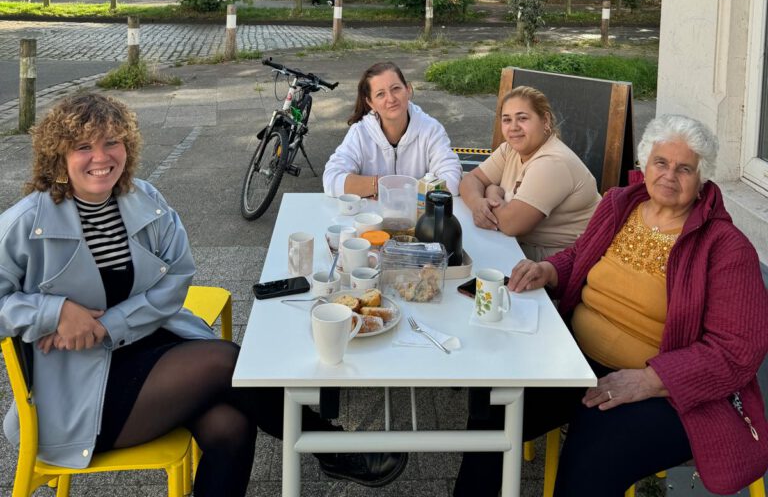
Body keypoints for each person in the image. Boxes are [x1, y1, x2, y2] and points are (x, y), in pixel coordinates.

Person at [0, 93, 406, 495]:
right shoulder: (25, 222)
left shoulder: (143, 200)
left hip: (145, 347)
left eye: (112, 142)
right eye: (84, 147)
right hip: (77, 392)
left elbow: (177, 277)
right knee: (228, 362)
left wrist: (108, 326)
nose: (101, 157)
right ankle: (331, 444)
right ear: (58, 155)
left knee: (231, 424)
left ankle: (330, 447)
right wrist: (53, 313)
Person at [453, 114, 768, 497]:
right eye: (661, 163)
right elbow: (581, 256)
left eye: (685, 168)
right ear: (645, 164)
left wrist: (651, 380)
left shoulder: (726, 247)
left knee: (592, 460)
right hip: (575, 361)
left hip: (666, 392)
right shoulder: (622, 203)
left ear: (702, 179)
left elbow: (737, 351)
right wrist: (549, 270)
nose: (670, 175)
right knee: (493, 407)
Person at [459, 86, 599, 258]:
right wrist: (477, 204)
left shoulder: (553, 163)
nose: (513, 127)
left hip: (557, 263)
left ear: (545, 120)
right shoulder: (510, 150)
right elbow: (470, 179)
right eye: (507, 120)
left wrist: (492, 193)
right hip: (517, 246)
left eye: (522, 118)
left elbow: (511, 224)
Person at [323, 61, 462, 198]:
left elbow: (452, 180)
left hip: (417, 215)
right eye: (380, 94)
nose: (391, 99)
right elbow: (331, 179)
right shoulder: (359, 133)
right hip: (373, 216)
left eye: (396, 88)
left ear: (408, 90)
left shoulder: (431, 129)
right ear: (371, 103)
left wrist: (398, 190)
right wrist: (379, 185)